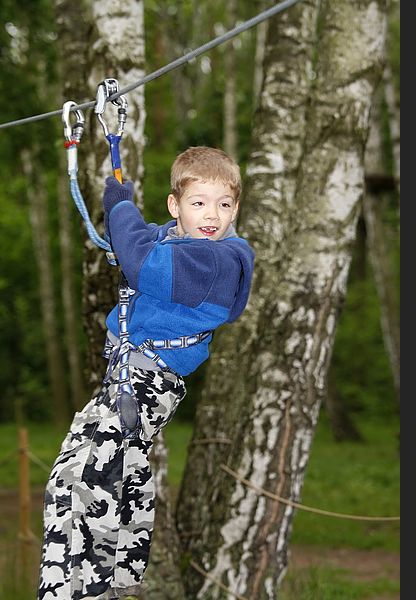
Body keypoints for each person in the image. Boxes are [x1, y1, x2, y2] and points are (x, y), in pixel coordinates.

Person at [37, 146, 255, 600]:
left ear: (236, 209)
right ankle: (114, 577)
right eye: (199, 203)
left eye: (225, 204)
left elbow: (141, 262)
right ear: (176, 206)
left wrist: (119, 204)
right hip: (129, 378)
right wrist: (125, 218)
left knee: (94, 477)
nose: (212, 215)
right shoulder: (182, 242)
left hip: (145, 381)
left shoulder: (218, 261)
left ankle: (87, 589)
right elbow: (146, 241)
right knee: (81, 472)